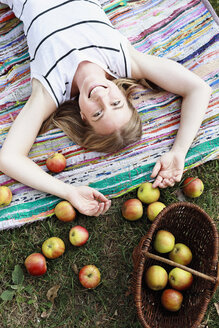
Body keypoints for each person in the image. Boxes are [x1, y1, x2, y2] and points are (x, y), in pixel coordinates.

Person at [0, 0, 211, 216]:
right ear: (123, 94)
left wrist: (68, 191)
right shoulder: (124, 60)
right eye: (115, 103)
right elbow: (198, 89)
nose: (101, 96)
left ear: (82, 116)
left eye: (98, 113)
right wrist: (179, 151)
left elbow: (9, 158)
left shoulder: (51, 89)